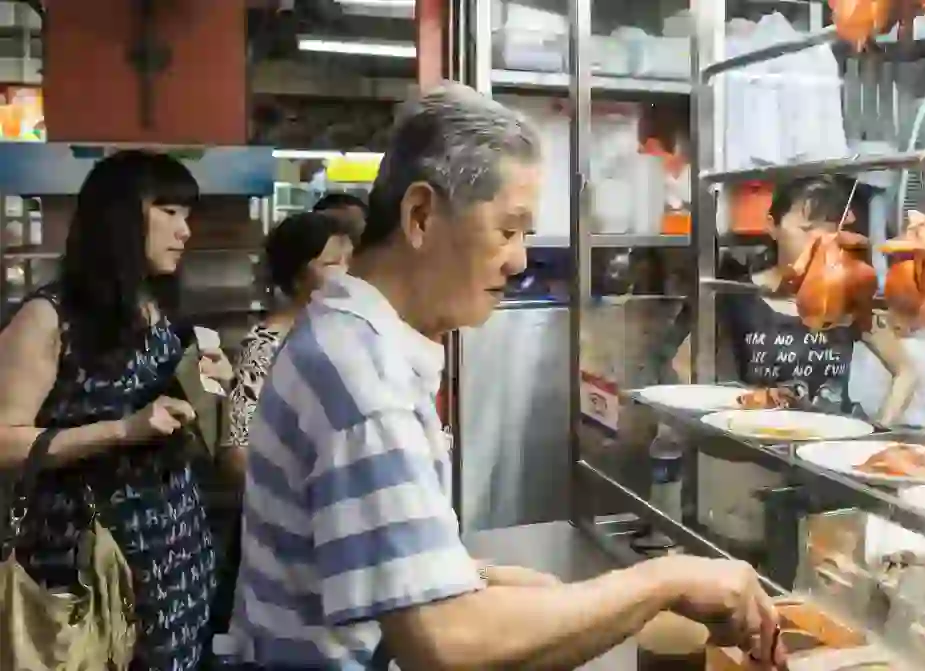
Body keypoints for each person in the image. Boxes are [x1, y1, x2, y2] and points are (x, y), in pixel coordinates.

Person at [229, 82, 786, 670]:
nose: (520, 261)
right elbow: (448, 644)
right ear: (421, 215)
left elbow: (350, 553)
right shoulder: (363, 378)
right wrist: (664, 581)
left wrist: (476, 577)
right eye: (507, 229)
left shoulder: (346, 336)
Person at [0, 150, 229, 671]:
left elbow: (166, 407)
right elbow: (4, 441)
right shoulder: (48, 318)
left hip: (176, 557)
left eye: (187, 216)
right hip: (89, 568)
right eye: (169, 212)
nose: (185, 231)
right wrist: (122, 430)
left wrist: (205, 383)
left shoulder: (157, 309)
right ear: (121, 217)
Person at [669, 176, 917, 421]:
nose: (820, 240)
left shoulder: (847, 294)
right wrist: (718, 419)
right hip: (757, 442)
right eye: (807, 230)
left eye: (830, 230)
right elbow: (683, 362)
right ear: (772, 226)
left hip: (825, 446)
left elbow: (905, 371)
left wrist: (880, 427)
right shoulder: (740, 293)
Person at [224, 211, 358, 477]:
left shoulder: (349, 333)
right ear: (297, 276)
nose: (346, 274)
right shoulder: (265, 345)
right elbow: (238, 450)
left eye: (350, 262)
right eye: (332, 264)